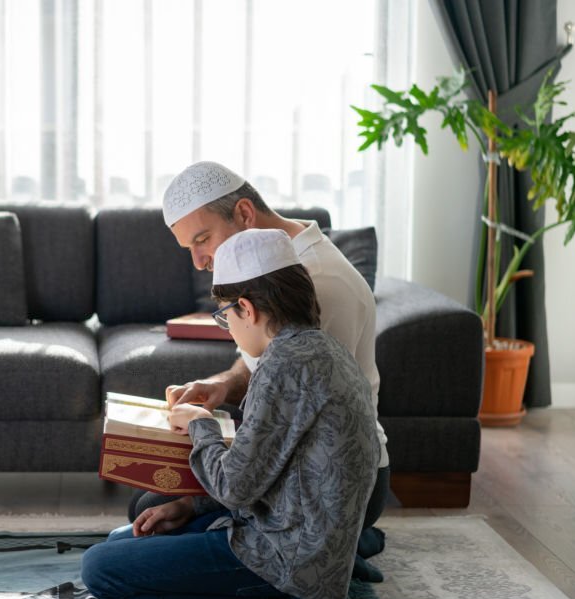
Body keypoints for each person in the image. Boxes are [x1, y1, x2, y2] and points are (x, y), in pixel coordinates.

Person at [81, 229, 381, 599]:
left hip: (288, 559)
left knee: (100, 568)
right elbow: (266, 477)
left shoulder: (283, 366)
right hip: (297, 534)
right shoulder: (320, 348)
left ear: (247, 309)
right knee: (122, 540)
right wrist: (190, 507)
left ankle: (271, 595)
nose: (230, 329)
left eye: (226, 317)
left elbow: (235, 487)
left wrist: (198, 422)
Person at [130, 161, 389, 561]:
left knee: (156, 509)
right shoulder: (271, 261)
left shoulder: (321, 282)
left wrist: (206, 478)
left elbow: (302, 420)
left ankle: (346, 545)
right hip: (287, 453)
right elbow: (260, 371)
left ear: (245, 214)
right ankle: (349, 547)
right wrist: (220, 386)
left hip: (331, 482)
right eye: (190, 248)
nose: (199, 262)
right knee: (147, 501)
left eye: (203, 239)